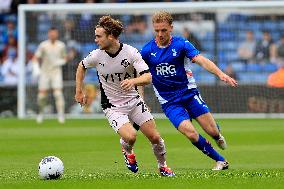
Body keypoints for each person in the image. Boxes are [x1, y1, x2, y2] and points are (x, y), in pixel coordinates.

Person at [74, 15, 175, 177]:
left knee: (155, 137)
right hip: (112, 106)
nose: (96, 40)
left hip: (133, 101)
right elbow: (81, 66)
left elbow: (148, 77)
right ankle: (127, 149)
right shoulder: (96, 55)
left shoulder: (130, 52)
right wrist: (79, 90)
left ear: (111, 37)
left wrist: (133, 81)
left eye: (99, 36)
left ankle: (163, 166)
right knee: (131, 137)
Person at [139, 11, 238, 171]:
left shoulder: (181, 44)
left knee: (212, 131)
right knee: (191, 133)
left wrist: (220, 73)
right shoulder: (146, 51)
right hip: (169, 102)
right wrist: (141, 100)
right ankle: (220, 161)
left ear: (171, 28)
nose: (160, 34)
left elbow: (201, 60)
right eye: (157, 30)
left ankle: (217, 135)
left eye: (163, 30)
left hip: (189, 94)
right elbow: (141, 77)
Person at [32, 27, 67, 124]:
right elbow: (35, 58)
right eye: (51, 33)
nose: (52, 35)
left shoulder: (61, 45)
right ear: (48, 34)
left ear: (57, 34)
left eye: (54, 33)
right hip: (45, 72)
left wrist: (60, 62)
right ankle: (40, 113)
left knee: (58, 94)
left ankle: (61, 115)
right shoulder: (43, 45)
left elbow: (65, 58)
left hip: (56, 72)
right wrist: (36, 68)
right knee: (41, 96)